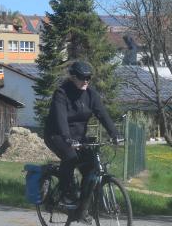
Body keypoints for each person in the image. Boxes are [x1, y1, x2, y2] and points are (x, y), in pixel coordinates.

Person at [43, 60, 121, 206]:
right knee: (71, 157)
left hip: (79, 137)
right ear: (73, 77)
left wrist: (114, 133)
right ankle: (65, 192)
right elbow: (60, 119)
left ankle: (82, 205)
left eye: (88, 78)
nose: (86, 81)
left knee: (91, 165)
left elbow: (103, 115)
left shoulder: (91, 95)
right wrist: (67, 138)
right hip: (57, 135)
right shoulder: (61, 93)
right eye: (82, 77)